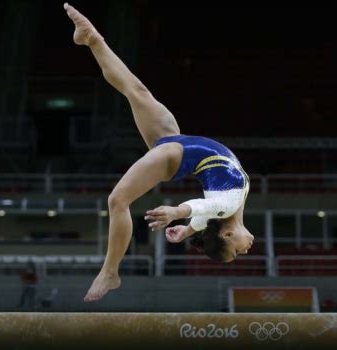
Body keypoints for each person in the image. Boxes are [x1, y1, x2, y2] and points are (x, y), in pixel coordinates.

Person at [63, 3, 255, 302]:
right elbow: (205, 215)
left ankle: (110, 271)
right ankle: (93, 39)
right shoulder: (225, 211)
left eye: (236, 253)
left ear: (227, 235)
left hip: (176, 154)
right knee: (137, 91)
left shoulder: (225, 208)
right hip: (178, 143)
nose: (245, 250)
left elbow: (200, 209)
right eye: (239, 253)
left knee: (117, 200)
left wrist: (177, 215)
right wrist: (187, 232)